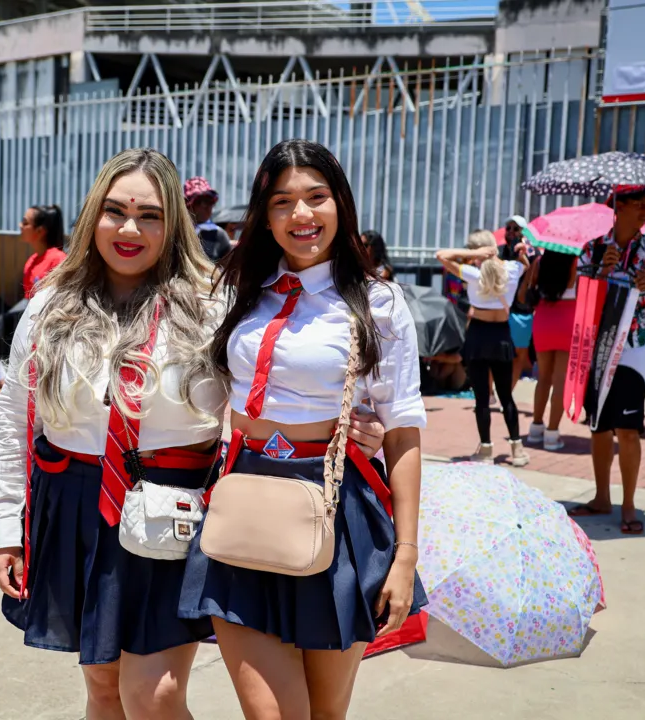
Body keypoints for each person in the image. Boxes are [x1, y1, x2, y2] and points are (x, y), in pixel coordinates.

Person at [0, 146, 394, 719]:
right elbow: (14, 420)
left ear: (175, 222)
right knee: (103, 689)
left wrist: (342, 421)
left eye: (150, 214)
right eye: (115, 211)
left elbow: (277, 373)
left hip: (171, 510)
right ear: (91, 217)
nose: (130, 228)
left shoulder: (214, 300)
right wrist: (5, 525)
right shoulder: (52, 304)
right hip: (74, 507)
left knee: (153, 697)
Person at [178, 139, 427, 720]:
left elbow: (403, 429)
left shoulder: (380, 304)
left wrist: (407, 554)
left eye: (316, 197)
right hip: (244, 498)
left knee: (322, 714)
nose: (301, 215)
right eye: (283, 202)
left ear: (341, 203)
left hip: (338, 506)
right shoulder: (240, 294)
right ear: (264, 216)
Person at [568, 186, 645, 535]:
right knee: (598, 426)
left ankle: (628, 502)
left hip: (635, 347)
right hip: (596, 348)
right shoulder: (594, 249)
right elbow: (580, 297)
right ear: (618, 207)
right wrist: (600, 270)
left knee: (629, 430)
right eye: (639, 205)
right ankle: (602, 497)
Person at [437, 229, 530, 466]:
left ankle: (486, 449)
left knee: (481, 397)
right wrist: (520, 252)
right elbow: (524, 264)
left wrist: (473, 253)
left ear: (478, 250)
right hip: (501, 335)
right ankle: (517, 449)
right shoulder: (511, 270)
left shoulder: (472, 274)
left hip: (478, 335)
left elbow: (441, 255)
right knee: (506, 395)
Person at [524, 249, 578, 450]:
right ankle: (552, 434)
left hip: (544, 319)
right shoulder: (575, 261)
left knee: (543, 378)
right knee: (560, 380)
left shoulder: (540, 261)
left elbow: (531, 287)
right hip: (567, 319)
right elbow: (573, 285)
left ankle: (536, 427)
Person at [502, 216, 537, 390]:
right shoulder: (499, 252)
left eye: (515, 229)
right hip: (500, 308)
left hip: (521, 310)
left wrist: (524, 256)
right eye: (508, 228)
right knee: (497, 354)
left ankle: (508, 393)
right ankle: (493, 391)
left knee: (518, 356)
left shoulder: (533, 253)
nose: (511, 232)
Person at [19, 204, 67, 299]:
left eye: (25, 223)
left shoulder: (58, 260)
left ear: (40, 231)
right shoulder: (31, 260)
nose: (20, 226)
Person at [184, 176, 232, 262]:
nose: (205, 206)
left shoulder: (219, 235)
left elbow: (227, 269)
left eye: (209, 201)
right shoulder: (178, 232)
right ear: (188, 205)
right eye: (199, 202)